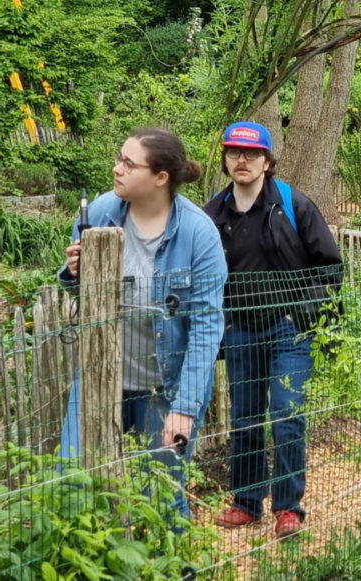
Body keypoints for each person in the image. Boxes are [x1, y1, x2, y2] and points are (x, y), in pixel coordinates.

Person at [58, 127, 227, 520]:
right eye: (119, 158)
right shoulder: (100, 212)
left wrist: (185, 408)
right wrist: (72, 272)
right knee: (73, 482)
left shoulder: (198, 234)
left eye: (128, 163)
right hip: (102, 377)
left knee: (163, 495)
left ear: (160, 178)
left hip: (162, 389)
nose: (117, 168)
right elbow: (75, 285)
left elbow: (206, 328)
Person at [203, 122, 343, 538]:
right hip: (242, 328)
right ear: (227, 159)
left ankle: (288, 507)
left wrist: (301, 311)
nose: (241, 160)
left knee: (286, 413)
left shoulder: (292, 204)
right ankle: (246, 502)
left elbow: (330, 265)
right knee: (245, 418)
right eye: (233, 152)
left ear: (267, 161)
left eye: (251, 154)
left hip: (290, 330)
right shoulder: (213, 213)